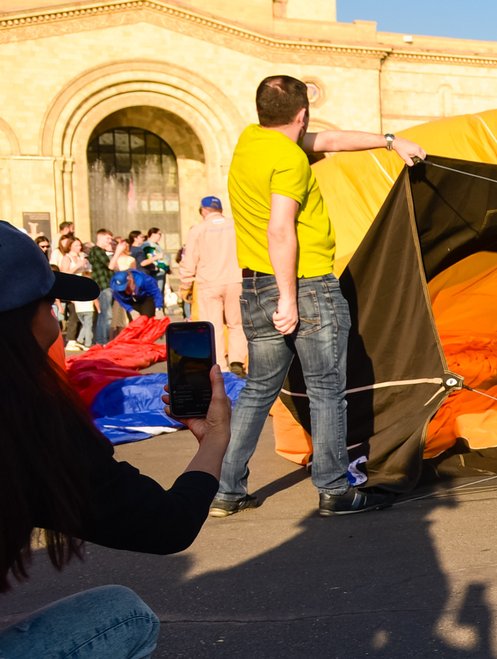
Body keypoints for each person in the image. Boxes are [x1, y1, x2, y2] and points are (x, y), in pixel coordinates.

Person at [0, 219, 230, 659]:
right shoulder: (25, 423)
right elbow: (165, 526)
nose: (58, 319)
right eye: (48, 304)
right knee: (122, 619)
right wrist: (214, 442)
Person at [213, 75, 426, 519]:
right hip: (304, 286)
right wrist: (288, 299)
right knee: (327, 391)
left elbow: (329, 140)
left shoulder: (250, 142)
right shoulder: (289, 159)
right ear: (302, 114)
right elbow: (280, 230)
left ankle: (227, 491)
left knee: (257, 390)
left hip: (253, 286)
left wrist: (390, 141)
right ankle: (334, 489)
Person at [177, 197, 243, 374]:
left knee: (213, 327)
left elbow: (189, 260)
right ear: (220, 210)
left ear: (203, 210)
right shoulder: (236, 225)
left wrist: (185, 285)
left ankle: (220, 366)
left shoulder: (197, 230)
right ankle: (237, 361)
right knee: (236, 324)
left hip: (209, 283)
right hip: (236, 280)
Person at [83, 231, 115, 346]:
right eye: (108, 238)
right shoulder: (97, 250)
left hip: (104, 284)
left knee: (103, 315)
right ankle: (102, 341)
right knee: (106, 315)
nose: (109, 241)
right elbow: (111, 266)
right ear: (99, 237)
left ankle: (101, 340)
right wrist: (118, 252)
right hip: (103, 285)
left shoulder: (97, 251)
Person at [109, 256, 163, 321]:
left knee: (146, 318)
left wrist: (158, 308)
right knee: (135, 322)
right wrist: (131, 310)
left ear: (129, 280)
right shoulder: (115, 287)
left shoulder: (143, 279)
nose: (123, 289)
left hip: (146, 297)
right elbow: (120, 300)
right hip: (130, 301)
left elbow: (156, 291)